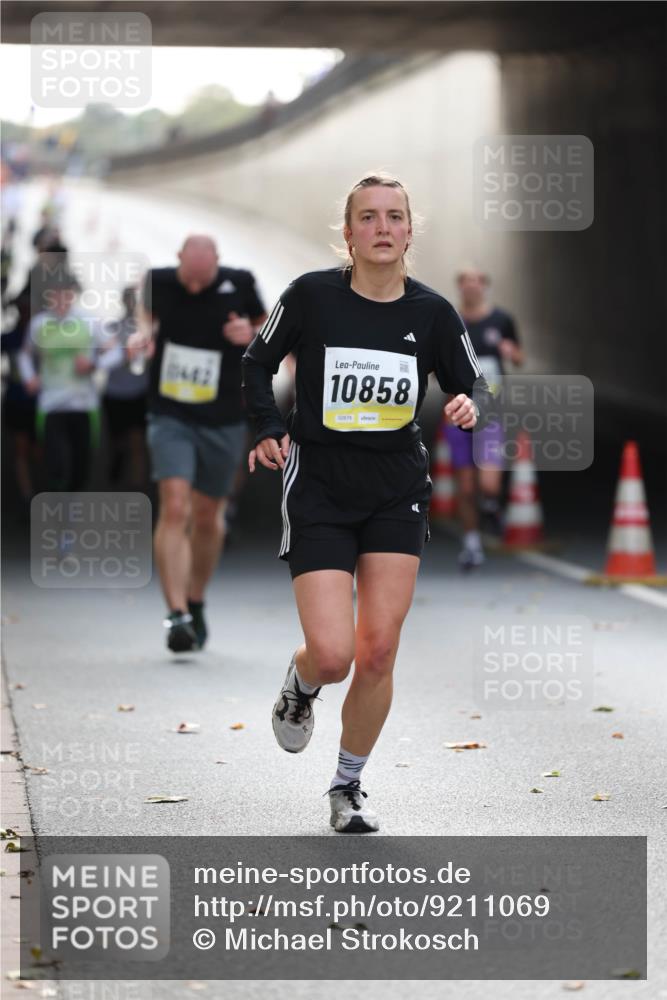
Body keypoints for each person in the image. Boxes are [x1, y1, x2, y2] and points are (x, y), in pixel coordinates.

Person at [242, 175, 491, 833]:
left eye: (395, 217)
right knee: (333, 655)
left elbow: (475, 385)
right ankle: (302, 685)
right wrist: (268, 427)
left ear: (409, 231)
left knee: (378, 651)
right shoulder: (310, 296)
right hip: (320, 483)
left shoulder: (433, 313)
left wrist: (469, 406)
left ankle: (346, 786)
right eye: (369, 217)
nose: (383, 227)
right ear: (348, 233)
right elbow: (256, 362)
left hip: (395, 488)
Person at [127, 235, 267, 653]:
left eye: (203, 278)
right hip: (170, 412)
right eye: (189, 275)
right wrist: (144, 334)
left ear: (217, 263)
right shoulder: (158, 281)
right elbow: (144, 315)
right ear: (179, 260)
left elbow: (269, 329)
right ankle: (176, 614)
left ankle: (195, 598)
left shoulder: (240, 283)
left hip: (223, 416)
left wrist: (249, 332)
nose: (194, 285)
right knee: (174, 506)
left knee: (208, 516)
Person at [444, 265, 524, 570]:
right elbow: (436, 366)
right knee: (465, 487)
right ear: (460, 287)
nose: (472, 286)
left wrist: (510, 352)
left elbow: (519, 358)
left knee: (489, 483)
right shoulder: (450, 321)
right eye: (466, 281)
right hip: (459, 413)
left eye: (477, 281)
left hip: (491, 414)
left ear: (485, 286)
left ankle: (490, 505)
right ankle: (472, 544)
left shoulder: (501, 320)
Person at [18, 272, 122, 492]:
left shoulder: (88, 320)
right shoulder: (39, 324)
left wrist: (94, 364)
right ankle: (58, 506)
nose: (60, 299)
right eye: (55, 294)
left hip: (84, 404)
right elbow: (25, 354)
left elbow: (116, 352)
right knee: (56, 464)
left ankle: (72, 507)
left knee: (81, 466)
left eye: (65, 293)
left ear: (73, 294)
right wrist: (29, 377)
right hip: (51, 404)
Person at [102, 286, 149, 490]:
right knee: (118, 441)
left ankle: (137, 484)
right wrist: (122, 354)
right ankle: (118, 468)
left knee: (137, 441)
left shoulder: (147, 328)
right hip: (115, 394)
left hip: (138, 393)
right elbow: (103, 358)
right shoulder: (112, 328)